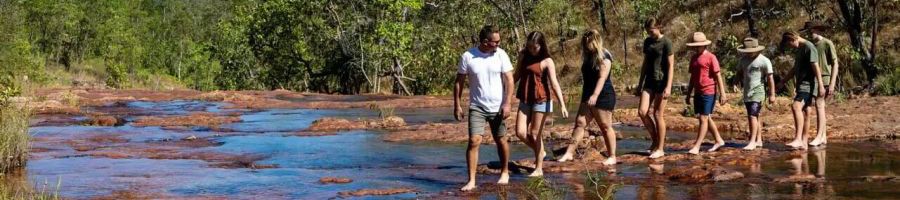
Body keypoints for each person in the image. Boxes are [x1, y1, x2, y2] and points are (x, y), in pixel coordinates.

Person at [454, 25, 515, 191]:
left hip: (498, 106)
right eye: (496, 42)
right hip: (477, 106)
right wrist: (457, 105)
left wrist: (507, 103)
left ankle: (504, 172)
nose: (498, 44)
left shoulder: (501, 54)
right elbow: (459, 81)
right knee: (474, 141)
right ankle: (471, 180)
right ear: (485, 42)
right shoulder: (468, 56)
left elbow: (509, 80)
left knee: (501, 139)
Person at [557, 29, 618, 166]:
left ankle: (612, 156)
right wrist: (588, 96)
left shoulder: (605, 56)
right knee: (580, 123)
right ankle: (569, 153)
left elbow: (602, 78)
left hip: (603, 95)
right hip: (588, 94)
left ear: (595, 42)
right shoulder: (588, 56)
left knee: (605, 126)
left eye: (588, 43)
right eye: (584, 43)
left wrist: (595, 95)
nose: (585, 46)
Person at [513, 31, 569, 177]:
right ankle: (541, 152)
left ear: (541, 45)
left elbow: (554, 84)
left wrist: (562, 104)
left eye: (535, 47)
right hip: (525, 98)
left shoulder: (547, 61)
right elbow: (517, 75)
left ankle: (539, 168)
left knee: (534, 133)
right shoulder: (523, 56)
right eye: (529, 47)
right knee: (519, 132)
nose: (532, 50)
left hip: (541, 100)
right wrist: (505, 87)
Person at [777, 31, 826, 151]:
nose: (790, 47)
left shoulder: (809, 47)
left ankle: (798, 139)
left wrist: (820, 85)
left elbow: (816, 66)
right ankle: (804, 141)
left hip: (807, 85)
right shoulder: (800, 49)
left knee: (796, 106)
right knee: (806, 112)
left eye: (789, 44)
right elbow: (795, 69)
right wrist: (783, 81)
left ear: (793, 38)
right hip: (802, 84)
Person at [637, 18, 675, 158]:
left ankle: (660, 148)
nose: (649, 33)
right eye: (647, 31)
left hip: (662, 82)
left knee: (658, 114)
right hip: (649, 82)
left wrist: (669, 86)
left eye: (651, 30)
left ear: (658, 27)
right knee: (642, 112)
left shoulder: (666, 43)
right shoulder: (647, 42)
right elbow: (645, 63)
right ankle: (655, 141)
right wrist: (640, 83)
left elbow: (671, 66)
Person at [684, 32, 726, 154]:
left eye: (698, 45)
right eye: (695, 46)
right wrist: (688, 94)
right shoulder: (693, 58)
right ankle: (718, 140)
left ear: (704, 45)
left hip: (709, 91)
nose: (696, 48)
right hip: (698, 92)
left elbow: (718, 76)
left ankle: (696, 146)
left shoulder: (711, 57)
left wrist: (723, 94)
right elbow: (692, 77)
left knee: (703, 118)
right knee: (706, 117)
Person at [734, 37, 776, 150]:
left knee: (753, 115)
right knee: (753, 116)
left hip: (758, 92)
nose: (749, 53)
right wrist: (735, 83)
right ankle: (759, 140)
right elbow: (738, 73)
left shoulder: (764, 61)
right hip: (747, 92)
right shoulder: (743, 60)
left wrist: (772, 94)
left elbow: (770, 78)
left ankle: (752, 142)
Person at [802, 22, 839, 147]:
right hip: (813, 78)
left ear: (817, 30)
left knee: (819, 104)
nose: (809, 33)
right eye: (808, 31)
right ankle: (823, 137)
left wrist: (832, 83)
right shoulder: (810, 46)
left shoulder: (827, 43)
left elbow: (835, 64)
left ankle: (819, 136)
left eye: (811, 30)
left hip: (824, 78)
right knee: (820, 106)